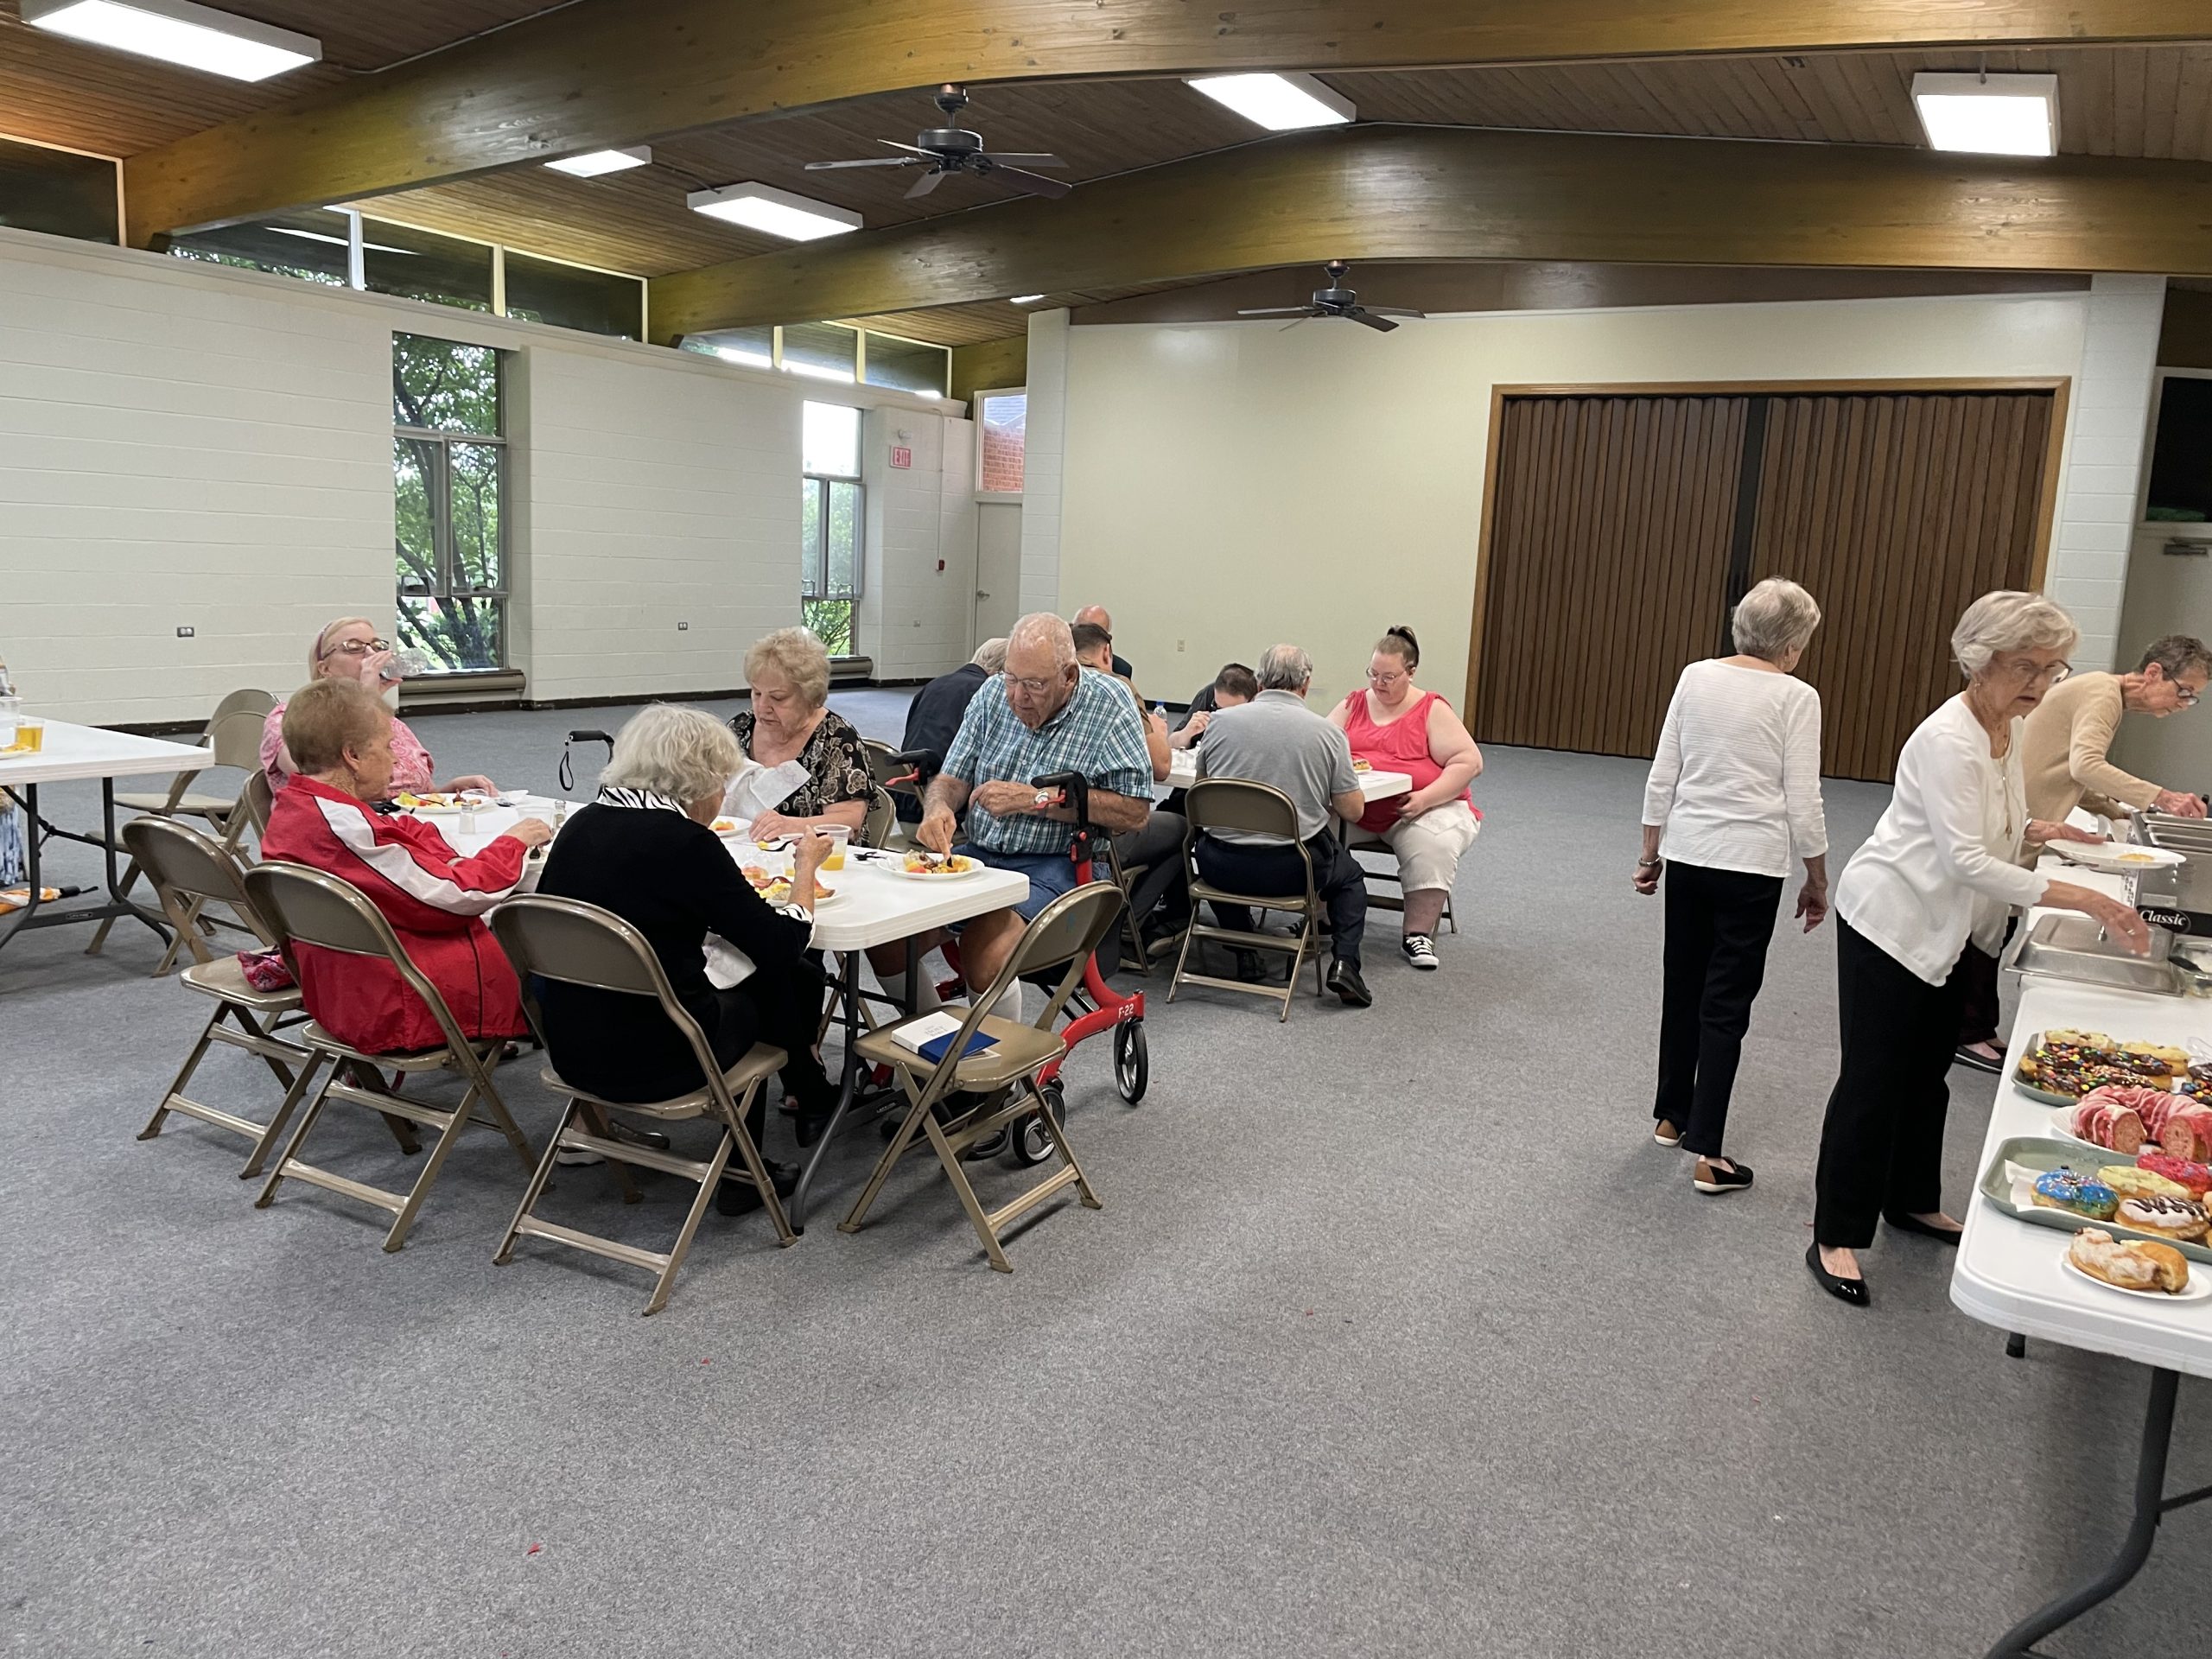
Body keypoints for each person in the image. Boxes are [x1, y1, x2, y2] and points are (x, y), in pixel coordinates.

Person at [1808, 593, 2152, 1309]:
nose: (2038, 683)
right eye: (2023, 666)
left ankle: (1910, 1201)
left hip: (1954, 930)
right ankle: (1835, 1233)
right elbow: (1964, 857)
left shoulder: (2007, 729)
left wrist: (2051, 834)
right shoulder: (1948, 738)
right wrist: (2090, 899)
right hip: (1892, 923)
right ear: (1980, 661)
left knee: (1926, 1076)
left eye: (2051, 668)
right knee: (1872, 1083)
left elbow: (1999, 827)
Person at [533, 705, 836, 1207]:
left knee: (776, 972)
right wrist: (806, 869)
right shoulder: (687, 843)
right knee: (777, 973)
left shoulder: (581, 825)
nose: (722, 795)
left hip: (571, 1049)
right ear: (696, 780)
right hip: (665, 1059)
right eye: (721, 781)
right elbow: (780, 941)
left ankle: (806, 1096)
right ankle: (752, 1163)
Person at [1636, 578, 1831, 1197]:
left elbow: (1666, 767)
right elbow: (1804, 797)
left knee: (1683, 984)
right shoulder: (1798, 697)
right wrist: (1817, 876)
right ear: (1794, 646)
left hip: (1689, 853)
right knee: (1727, 1001)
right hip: (1752, 866)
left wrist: (1649, 851)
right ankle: (1709, 1152)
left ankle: (1672, 1115)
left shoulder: (1696, 676)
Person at [1952, 632, 2212, 1071]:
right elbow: (2085, 764)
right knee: (1988, 929)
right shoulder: (2102, 694)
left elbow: (2065, 771)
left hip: (2024, 817)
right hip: (2016, 820)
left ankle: (1978, 1028)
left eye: (2194, 699)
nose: (2182, 705)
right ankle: (1967, 1033)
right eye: (2183, 692)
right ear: (2153, 673)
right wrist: (2160, 797)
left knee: (1998, 927)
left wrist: (2115, 811)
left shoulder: (2103, 694)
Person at [259, 677, 549, 1056]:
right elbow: (461, 895)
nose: (395, 758)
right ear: (353, 756)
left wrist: (450, 856)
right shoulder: (347, 827)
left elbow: (401, 836)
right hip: (395, 1000)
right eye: (387, 746)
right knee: (540, 939)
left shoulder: (297, 808)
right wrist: (513, 844)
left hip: (341, 981)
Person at [913, 613, 1154, 994]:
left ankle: (985, 1051)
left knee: (985, 954)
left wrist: (1035, 799)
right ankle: (932, 1039)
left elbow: (1135, 810)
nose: (1017, 697)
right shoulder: (992, 693)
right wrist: (938, 808)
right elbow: (951, 779)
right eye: (1011, 678)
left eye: (1034, 685)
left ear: (1069, 677)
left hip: (1060, 865)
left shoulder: (1110, 704)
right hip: (979, 855)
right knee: (890, 941)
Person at [1197, 644, 1375, 1007]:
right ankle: (1345, 965)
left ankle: (1245, 950)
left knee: (1224, 852)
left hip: (1220, 866)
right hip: (1292, 869)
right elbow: (1352, 810)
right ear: (1306, 685)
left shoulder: (1219, 723)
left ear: (1259, 682)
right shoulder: (1327, 734)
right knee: (1351, 879)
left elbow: (1203, 787)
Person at [1328, 626, 1484, 971]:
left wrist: (1426, 799)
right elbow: (1321, 746)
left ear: (1410, 673)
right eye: (1373, 674)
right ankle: (1322, 915)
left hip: (1421, 808)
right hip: (1358, 807)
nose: (1378, 684)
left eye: (1389, 677)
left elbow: (1469, 762)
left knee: (1434, 841)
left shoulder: (1431, 708)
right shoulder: (1353, 703)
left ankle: (1417, 932)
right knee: (1314, 826)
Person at [261, 617, 495, 796]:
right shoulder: (288, 718)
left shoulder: (390, 723)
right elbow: (317, 777)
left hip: (406, 829)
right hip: (347, 836)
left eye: (376, 645)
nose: (371, 654)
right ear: (325, 668)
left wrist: (446, 792)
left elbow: (411, 796)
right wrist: (365, 699)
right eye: (353, 647)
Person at [1072, 620, 1187, 944]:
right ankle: (1129, 923)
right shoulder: (1116, 686)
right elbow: (1161, 768)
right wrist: (1159, 733)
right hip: (1105, 831)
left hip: (1061, 819)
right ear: (1106, 652)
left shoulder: (1052, 686)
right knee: (1181, 827)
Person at [729, 626, 871, 840]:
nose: (763, 706)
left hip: (818, 859)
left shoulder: (837, 740)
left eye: (778, 698)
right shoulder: (740, 728)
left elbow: (849, 822)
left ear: (809, 696)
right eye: (757, 693)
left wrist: (789, 825)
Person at [895, 638, 1008, 823]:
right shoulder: (986, 695)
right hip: (943, 814)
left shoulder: (933, 684)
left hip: (904, 801)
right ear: (1003, 673)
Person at [1171, 663, 1259, 752]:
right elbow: (1171, 743)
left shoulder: (1263, 708)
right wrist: (1187, 733)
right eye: (1219, 707)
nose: (1224, 716)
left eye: (1233, 711)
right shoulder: (1209, 694)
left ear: (1252, 700)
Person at [1072, 604, 1134, 680]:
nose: (1086, 639)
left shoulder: (1121, 670)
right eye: (1081, 632)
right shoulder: (1058, 661)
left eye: (1093, 634)